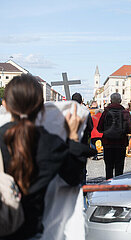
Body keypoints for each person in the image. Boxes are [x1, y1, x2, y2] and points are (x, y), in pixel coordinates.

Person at [0, 74, 95, 239]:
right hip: (32, 231)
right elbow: (73, 178)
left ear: (5, 105)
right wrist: (72, 137)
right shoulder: (51, 144)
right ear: (41, 108)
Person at [97, 93, 131, 179]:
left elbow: (99, 128)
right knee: (119, 168)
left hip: (108, 143)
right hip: (121, 143)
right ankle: (118, 187)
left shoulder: (105, 113)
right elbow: (130, 130)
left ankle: (108, 186)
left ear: (110, 101)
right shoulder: (125, 113)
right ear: (120, 101)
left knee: (108, 167)